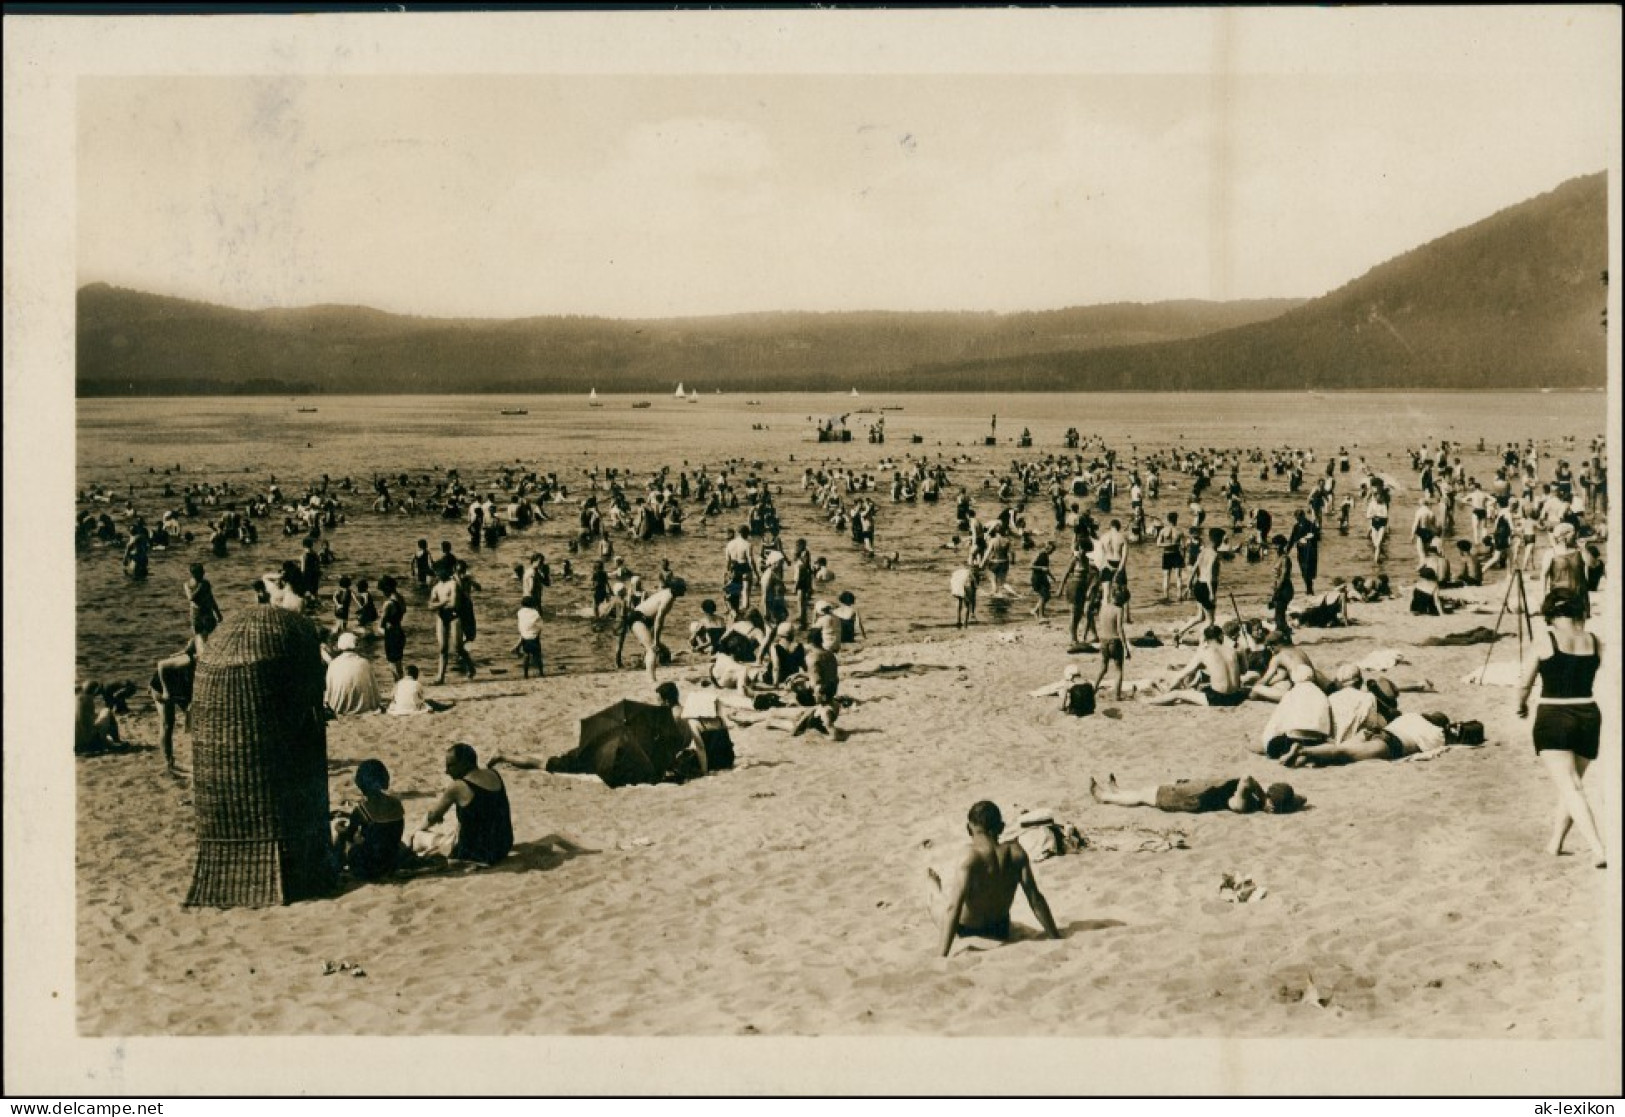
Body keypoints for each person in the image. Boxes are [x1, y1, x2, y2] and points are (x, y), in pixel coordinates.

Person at [1516, 589, 1606, 867]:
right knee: (1573, 785)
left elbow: (1525, 682)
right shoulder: (1594, 641)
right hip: (1589, 713)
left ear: (1551, 614)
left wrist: (1521, 706)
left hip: (1555, 713)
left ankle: (1598, 849)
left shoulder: (1545, 639)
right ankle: (1555, 843)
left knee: (1571, 787)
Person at [926, 801, 1061, 957]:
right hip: (1000, 929)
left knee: (934, 900)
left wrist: (941, 955)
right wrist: (1055, 936)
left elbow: (953, 908)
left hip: (967, 929)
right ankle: (935, 887)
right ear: (1001, 828)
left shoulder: (970, 855)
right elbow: (1035, 898)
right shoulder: (1016, 852)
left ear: (969, 828)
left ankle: (933, 886)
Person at [420, 744, 513, 866]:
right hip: (502, 847)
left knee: (419, 837)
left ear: (464, 764)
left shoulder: (458, 786)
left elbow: (433, 817)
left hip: (477, 854)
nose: (447, 771)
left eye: (450, 766)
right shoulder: (494, 774)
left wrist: (420, 829)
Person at [330, 759, 405, 881]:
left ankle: (335, 867)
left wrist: (338, 828)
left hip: (369, 866)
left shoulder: (361, 810)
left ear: (361, 784)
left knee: (342, 838)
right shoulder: (396, 804)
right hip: (391, 861)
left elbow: (349, 835)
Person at [1089, 772, 1300, 815]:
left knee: (1146, 797)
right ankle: (1118, 792)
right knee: (1147, 791)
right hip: (1195, 789)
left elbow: (1247, 779)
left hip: (1190, 799)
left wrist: (1263, 800)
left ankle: (1106, 797)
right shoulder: (1256, 797)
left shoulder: (1243, 803)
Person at [1148, 625, 1246, 706]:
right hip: (1236, 697)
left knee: (1177, 694)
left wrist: (1169, 690)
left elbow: (1183, 674)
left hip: (1218, 699)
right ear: (1221, 636)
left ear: (1206, 638)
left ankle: (1148, 701)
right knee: (1202, 688)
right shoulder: (1232, 650)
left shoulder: (1204, 652)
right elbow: (1244, 671)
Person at [616, 578, 686, 682]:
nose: (685, 590)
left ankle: (648, 665)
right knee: (652, 649)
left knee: (664, 651)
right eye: (683, 588)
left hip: (642, 619)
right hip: (638, 618)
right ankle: (651, 679)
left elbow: (656, 620)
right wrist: (656, 641)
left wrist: (655, 638)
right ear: (676, 589)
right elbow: (658, 620)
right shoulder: (668, 597)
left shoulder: (668, 594)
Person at [1257, 665, 1332, 757]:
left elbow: (1277, 720)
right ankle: (1302, 754)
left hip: (1295, 737)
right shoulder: (1321, 694)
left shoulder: (1292, 694)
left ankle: (1295, 749)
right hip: (1316, 740)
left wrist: (1268, 740)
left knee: (1273, 746)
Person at [1172, 529, 1221, 646]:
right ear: (1218, 540)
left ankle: (1179, 633)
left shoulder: (1203, 551)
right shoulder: (1214, 554)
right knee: (1210, 620)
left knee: (1200, 617)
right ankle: (1203, 642)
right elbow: (1209, 573)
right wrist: (1211, 593)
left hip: (1198, 585)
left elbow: (1194, 568)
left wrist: (1189, 585)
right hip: (1207, 586)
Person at [324, 631, 381, 716]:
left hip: (337, 707)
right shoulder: (364, 663)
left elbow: (329, 689)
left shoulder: (333, 664)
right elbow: (374, 689)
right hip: (363, 707)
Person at [1093, 581, 1132, 701]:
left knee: (1103, 668)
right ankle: (1117, 695)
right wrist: (1126, 648)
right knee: (1119, 670)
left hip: (1104, 640)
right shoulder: (1118, 610)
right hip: (1115, 641)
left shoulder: (1104, 607)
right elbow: (1120, 630)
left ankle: (1093, 689)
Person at [426, 565, 465, 685]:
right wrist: (444, 602)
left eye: (440, 570)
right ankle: (440, 677)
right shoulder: (436, 587)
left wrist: (438, 605)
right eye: (437, 571)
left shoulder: (452, 584)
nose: (438, 573)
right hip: (442, 617)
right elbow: (429, 606)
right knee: (443, 648)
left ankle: (469, 664)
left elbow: (454, 604)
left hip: (454, 617)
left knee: (458, 647)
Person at [387, 664, 453, 715]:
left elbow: (392, 696)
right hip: (413, 708)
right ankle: (445, 707)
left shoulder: (399, 683)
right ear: (416, 676)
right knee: (429, 702)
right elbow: (422, 697)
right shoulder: (417, 684)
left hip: (399, 708)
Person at [185, 563, 223, 650]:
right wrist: (200, 587)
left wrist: (218, 612)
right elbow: (191, 598)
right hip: (196, 614)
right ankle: (195, 649)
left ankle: (202, 649)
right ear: (193, 574)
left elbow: (211, 598)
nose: (203, 574)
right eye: (201, 573)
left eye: (203, 572)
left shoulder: (206, 583)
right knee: (199, 634)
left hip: (207, 612)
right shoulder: (188, 585)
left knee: (211, 632)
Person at [378, 575, 407, 682]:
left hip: (391, 634)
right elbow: (402, 611)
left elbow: (381, 625)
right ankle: (402, 685)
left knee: (392, 664)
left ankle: (397, 686)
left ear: (386, 589)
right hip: (399, 631)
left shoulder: (388, 603)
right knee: (399, 664)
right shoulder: (401, 598)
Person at [516, 594, 544, 678]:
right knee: (538, 655)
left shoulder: (520, 612)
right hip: (534, 637)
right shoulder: (535, 613)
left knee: (526, 655)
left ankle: (525, 674)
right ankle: (541, 672)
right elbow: (540, 626)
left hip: (525, 637)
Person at [1028, 541, 1055, 618]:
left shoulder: (1046, 555)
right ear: (1048, 548)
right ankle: (1041, 615)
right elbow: (1030, 566)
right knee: (1044, 596)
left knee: (1047, 596)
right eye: (1052, 550)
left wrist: (1052, 577)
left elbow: (1046, 569)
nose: (1052, 552)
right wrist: (1041, 568)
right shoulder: (1040, 554)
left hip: (1043, 578)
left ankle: (1035, 610)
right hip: (1037, 577)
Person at [950, 563, 977, 628]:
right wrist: (973, 612)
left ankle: (958, 620)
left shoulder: (958, 572)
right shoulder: (970, 573)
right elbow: (974, 586)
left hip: (956, 585)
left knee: (959, 600)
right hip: (965, 585)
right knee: (967, 605)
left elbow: (953, 580)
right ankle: (965, 623)